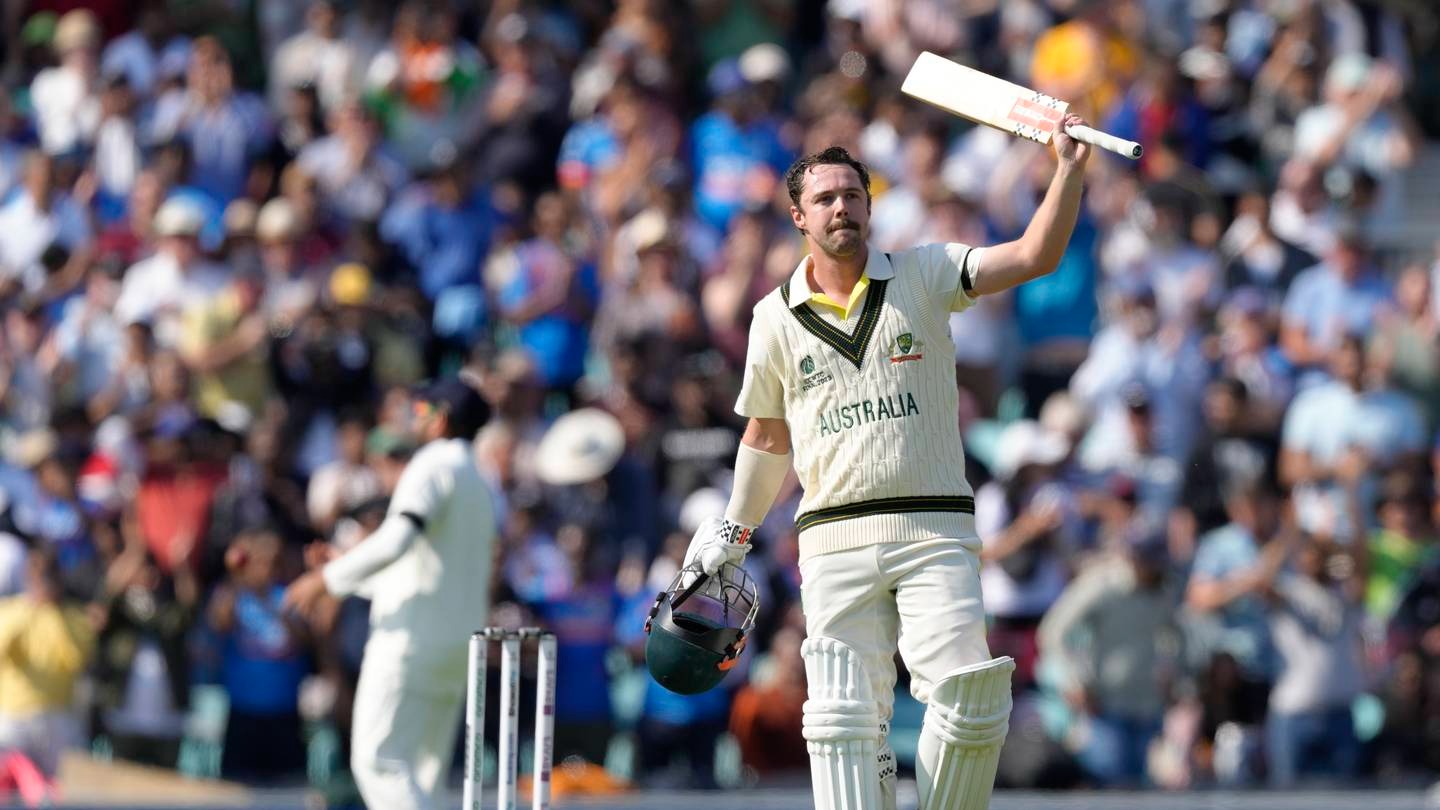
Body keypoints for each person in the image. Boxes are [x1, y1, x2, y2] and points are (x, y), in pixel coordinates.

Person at [683, 121, 1093, 810]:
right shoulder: (773, 317)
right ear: (798, 216)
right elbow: (765, 438)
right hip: (833, 539)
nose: (841, 207)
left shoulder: (926, 273)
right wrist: (732, 532)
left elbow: (1034, 254)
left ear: (871, 206)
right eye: (826, 199)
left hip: (934, 530)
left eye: (853, 194)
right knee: (844, 720)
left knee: (970, 699)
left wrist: (1069, 171)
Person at [282, 375, 495, 810]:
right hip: (457, 649)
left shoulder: (433, 462)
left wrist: (325, 581)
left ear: (442, 421)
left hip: (409, 643)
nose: (412, 421)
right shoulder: (478, 478)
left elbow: (398, 538)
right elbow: (423, 568)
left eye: (420, 412)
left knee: (377, 761)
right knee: (421, 775)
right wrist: (343, 570)